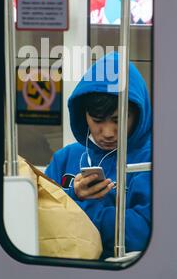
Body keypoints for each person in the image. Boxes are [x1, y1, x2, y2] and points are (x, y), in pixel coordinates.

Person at [45, 51, 151, 258]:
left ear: (137, 113)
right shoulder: (65, 159)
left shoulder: (151, 161)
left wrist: (81, 207)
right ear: (83, 115)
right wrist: (73, 195)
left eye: (118, 119)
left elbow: (144, 234)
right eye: (97, 120)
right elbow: (40, 216)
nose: (108, 133)